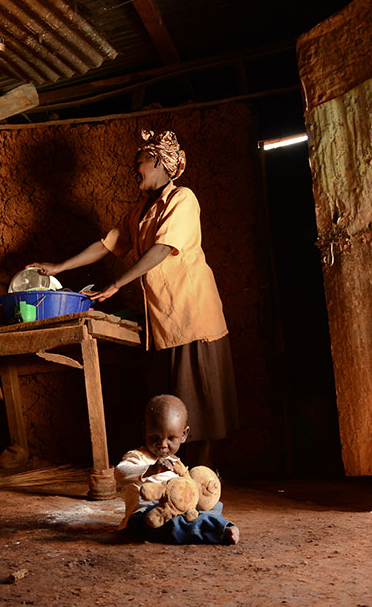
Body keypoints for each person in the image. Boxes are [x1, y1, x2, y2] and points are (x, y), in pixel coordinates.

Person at [28, 129, 238, 465]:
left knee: (198, 406)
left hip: (191, 315)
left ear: (157, 161)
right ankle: (171, 476)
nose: (134, 168)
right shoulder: (140, 211)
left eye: (138, 161)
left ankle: (199, 480)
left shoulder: (183, 199)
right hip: (162, 321)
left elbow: (162, 249)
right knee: (167, 404)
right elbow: (106, 244)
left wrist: (116, 284)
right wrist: (59, 267)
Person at [114, 395, 239, 544]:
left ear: (184, 435)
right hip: (147, 516)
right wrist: (150, 470)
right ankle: (218, 530)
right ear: (145, 431)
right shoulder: (138, 457)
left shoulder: (175, 462)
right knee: (176, 525)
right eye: (155, 437)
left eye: (171, 438)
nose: (163, 444)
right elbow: (120, 473)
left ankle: (213, 522)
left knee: (213, 505)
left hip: (178, 510)